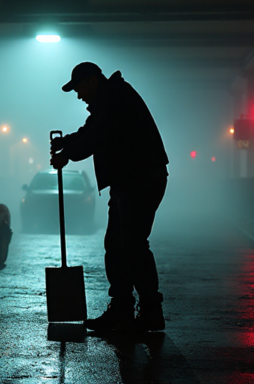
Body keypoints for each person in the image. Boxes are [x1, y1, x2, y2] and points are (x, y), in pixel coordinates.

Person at [50, 62, 169, 333]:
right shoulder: (109, 99)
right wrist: (66, 142)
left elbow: (98, 135)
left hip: (139, 179)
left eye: (78, 88)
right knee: (117, 245)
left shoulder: (116, 98)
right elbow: (90, 130)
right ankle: (122, 310)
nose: (78, 95)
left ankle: (150, 311)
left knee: (133, 245)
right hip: (130, 180)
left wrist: (67, 154)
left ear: (92, 81)